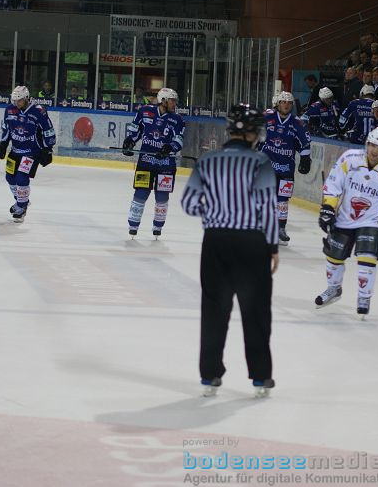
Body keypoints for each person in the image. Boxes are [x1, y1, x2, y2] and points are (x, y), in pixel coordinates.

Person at [181, 104, 279, 398]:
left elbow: (188, 204)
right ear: (251, 134)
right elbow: (267, 210)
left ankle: (210, 375)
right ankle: (261, 377)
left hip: (215, 242)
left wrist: (212, 214)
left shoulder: (208, 161)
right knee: (256, 311)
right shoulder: (260, 162)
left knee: (214, 310)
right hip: (251, 243)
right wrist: (273, 246)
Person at [315, 128, 378, 317]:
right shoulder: (350, 158)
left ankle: (364, 296)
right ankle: (334, 288)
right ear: (367, 143)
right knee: (334, 258)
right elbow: (334, 183)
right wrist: (328, 207)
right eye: (372, 145)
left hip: (374, 221)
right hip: (345, 217)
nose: (375, 151)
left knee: (367, 259)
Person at [122, 87, 185, 238]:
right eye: (172, 100)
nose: (174, 104)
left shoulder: (178, 120)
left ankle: (158, 227)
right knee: (141, 193)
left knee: (162, 196)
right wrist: (130, 141)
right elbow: (135, 129)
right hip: (146, 161)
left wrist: (170, 147)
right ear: (163, 100)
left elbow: (179, 140)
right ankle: (133, 225)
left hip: (166, 165)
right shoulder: (144, 111)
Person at [0, 86, 56, 222]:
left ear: (27, 98)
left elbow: (48, 130)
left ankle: (22, 207)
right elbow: (6, 128)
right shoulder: (9, 109)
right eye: (15, 100)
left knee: (21, 177)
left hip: (32, 153)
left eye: (20, 101)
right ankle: (22, 201)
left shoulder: (38, 111)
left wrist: (48, 149)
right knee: (10, 178)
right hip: (15, 151)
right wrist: (3, 144)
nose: (17, 103)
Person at [259, 91, 311, 244]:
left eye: (289, 103)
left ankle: (281, 228)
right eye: (283, 102)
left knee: (282, 200)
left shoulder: (298, 122)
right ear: (278, 103)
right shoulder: (267, 117)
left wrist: (305, 158)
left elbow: (305, 142)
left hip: (286, 168)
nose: (286, 105)